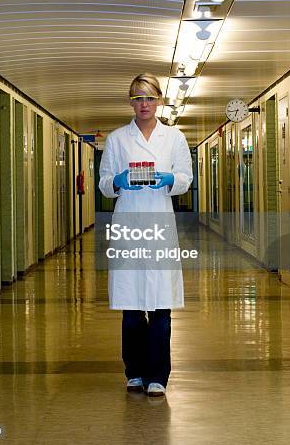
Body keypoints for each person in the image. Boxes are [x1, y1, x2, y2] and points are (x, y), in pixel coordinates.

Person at [98, 72, 193, 397]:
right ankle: (134, 372)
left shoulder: (175, 138)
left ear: (159, 101)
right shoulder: (116, 139)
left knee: (161, 305)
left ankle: (158, 376)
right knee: (132, 306)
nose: (144, 104)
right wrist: (118, 181)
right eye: (138, 98)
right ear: (131, 101)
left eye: (149, 98)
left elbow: (185, 178)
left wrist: (169, 180)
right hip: (129, 223)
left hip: (160, 224)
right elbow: (105, 183)